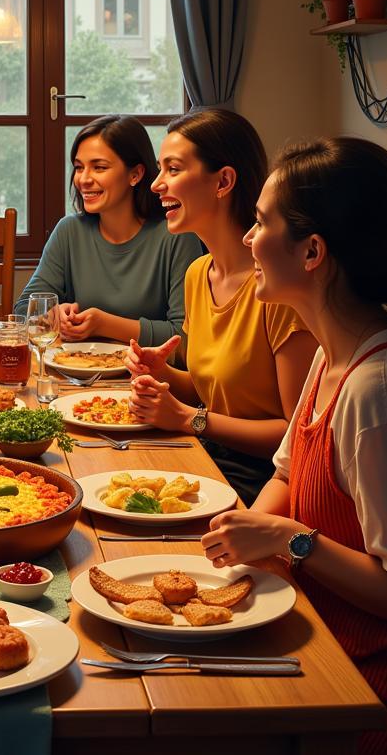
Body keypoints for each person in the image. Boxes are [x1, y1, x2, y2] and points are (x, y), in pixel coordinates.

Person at [200, 138, 387, 755]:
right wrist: (236, 551)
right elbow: (286, 476)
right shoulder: (334, 354)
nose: (249, 240)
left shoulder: (382, 396)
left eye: (261, 222)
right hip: (316, 653)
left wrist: (292, 541)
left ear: (313, 252)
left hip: (373, 704)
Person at [127, 109, 317, 504]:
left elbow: (295, 436)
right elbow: (211, 392)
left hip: (261, 483)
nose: (158, 184)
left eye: (173, 169)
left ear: (224, 181)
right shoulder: (199, 273)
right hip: (204, 457)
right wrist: (162, 373)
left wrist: (186, 418)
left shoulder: (279, 290)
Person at [14, 115, 202, 346]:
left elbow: (185, 338)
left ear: (136, 174)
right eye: (79, 167)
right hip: (74, 373)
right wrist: (52, 314)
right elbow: (24, 308)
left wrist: (104, 324)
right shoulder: (69, 231)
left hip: (146, 378)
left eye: (99, 167)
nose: (83, 179)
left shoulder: (177, 235)